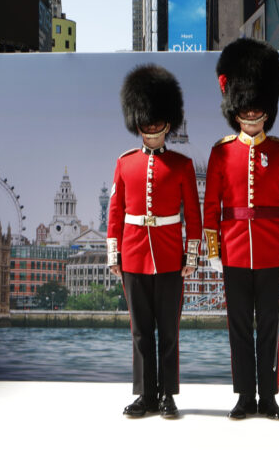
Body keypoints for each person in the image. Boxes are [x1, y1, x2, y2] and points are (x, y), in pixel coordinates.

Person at [203, 38, 279, 420]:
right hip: (232, 250)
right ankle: (245, 395)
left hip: (269, 252)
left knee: (269, 328)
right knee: (239, 328)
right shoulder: (221, 152)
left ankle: (270, 396)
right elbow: (210, 207)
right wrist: (213, 251)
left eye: (257, 108)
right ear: (235, 108)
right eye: (244, 107)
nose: (251, 113)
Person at [107, 64, 202, 419]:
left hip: (168, 256)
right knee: (140, 330)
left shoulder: (181, 165)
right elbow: (115, 213)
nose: (151, 128)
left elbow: (193, 214)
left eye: (156, 121)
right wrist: (113, 253)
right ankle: (146, 394)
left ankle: (167, 395)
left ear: (167, 122)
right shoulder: (124, 163)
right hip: (133, 255)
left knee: (169, 331)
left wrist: (191, 254)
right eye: (145, 121)